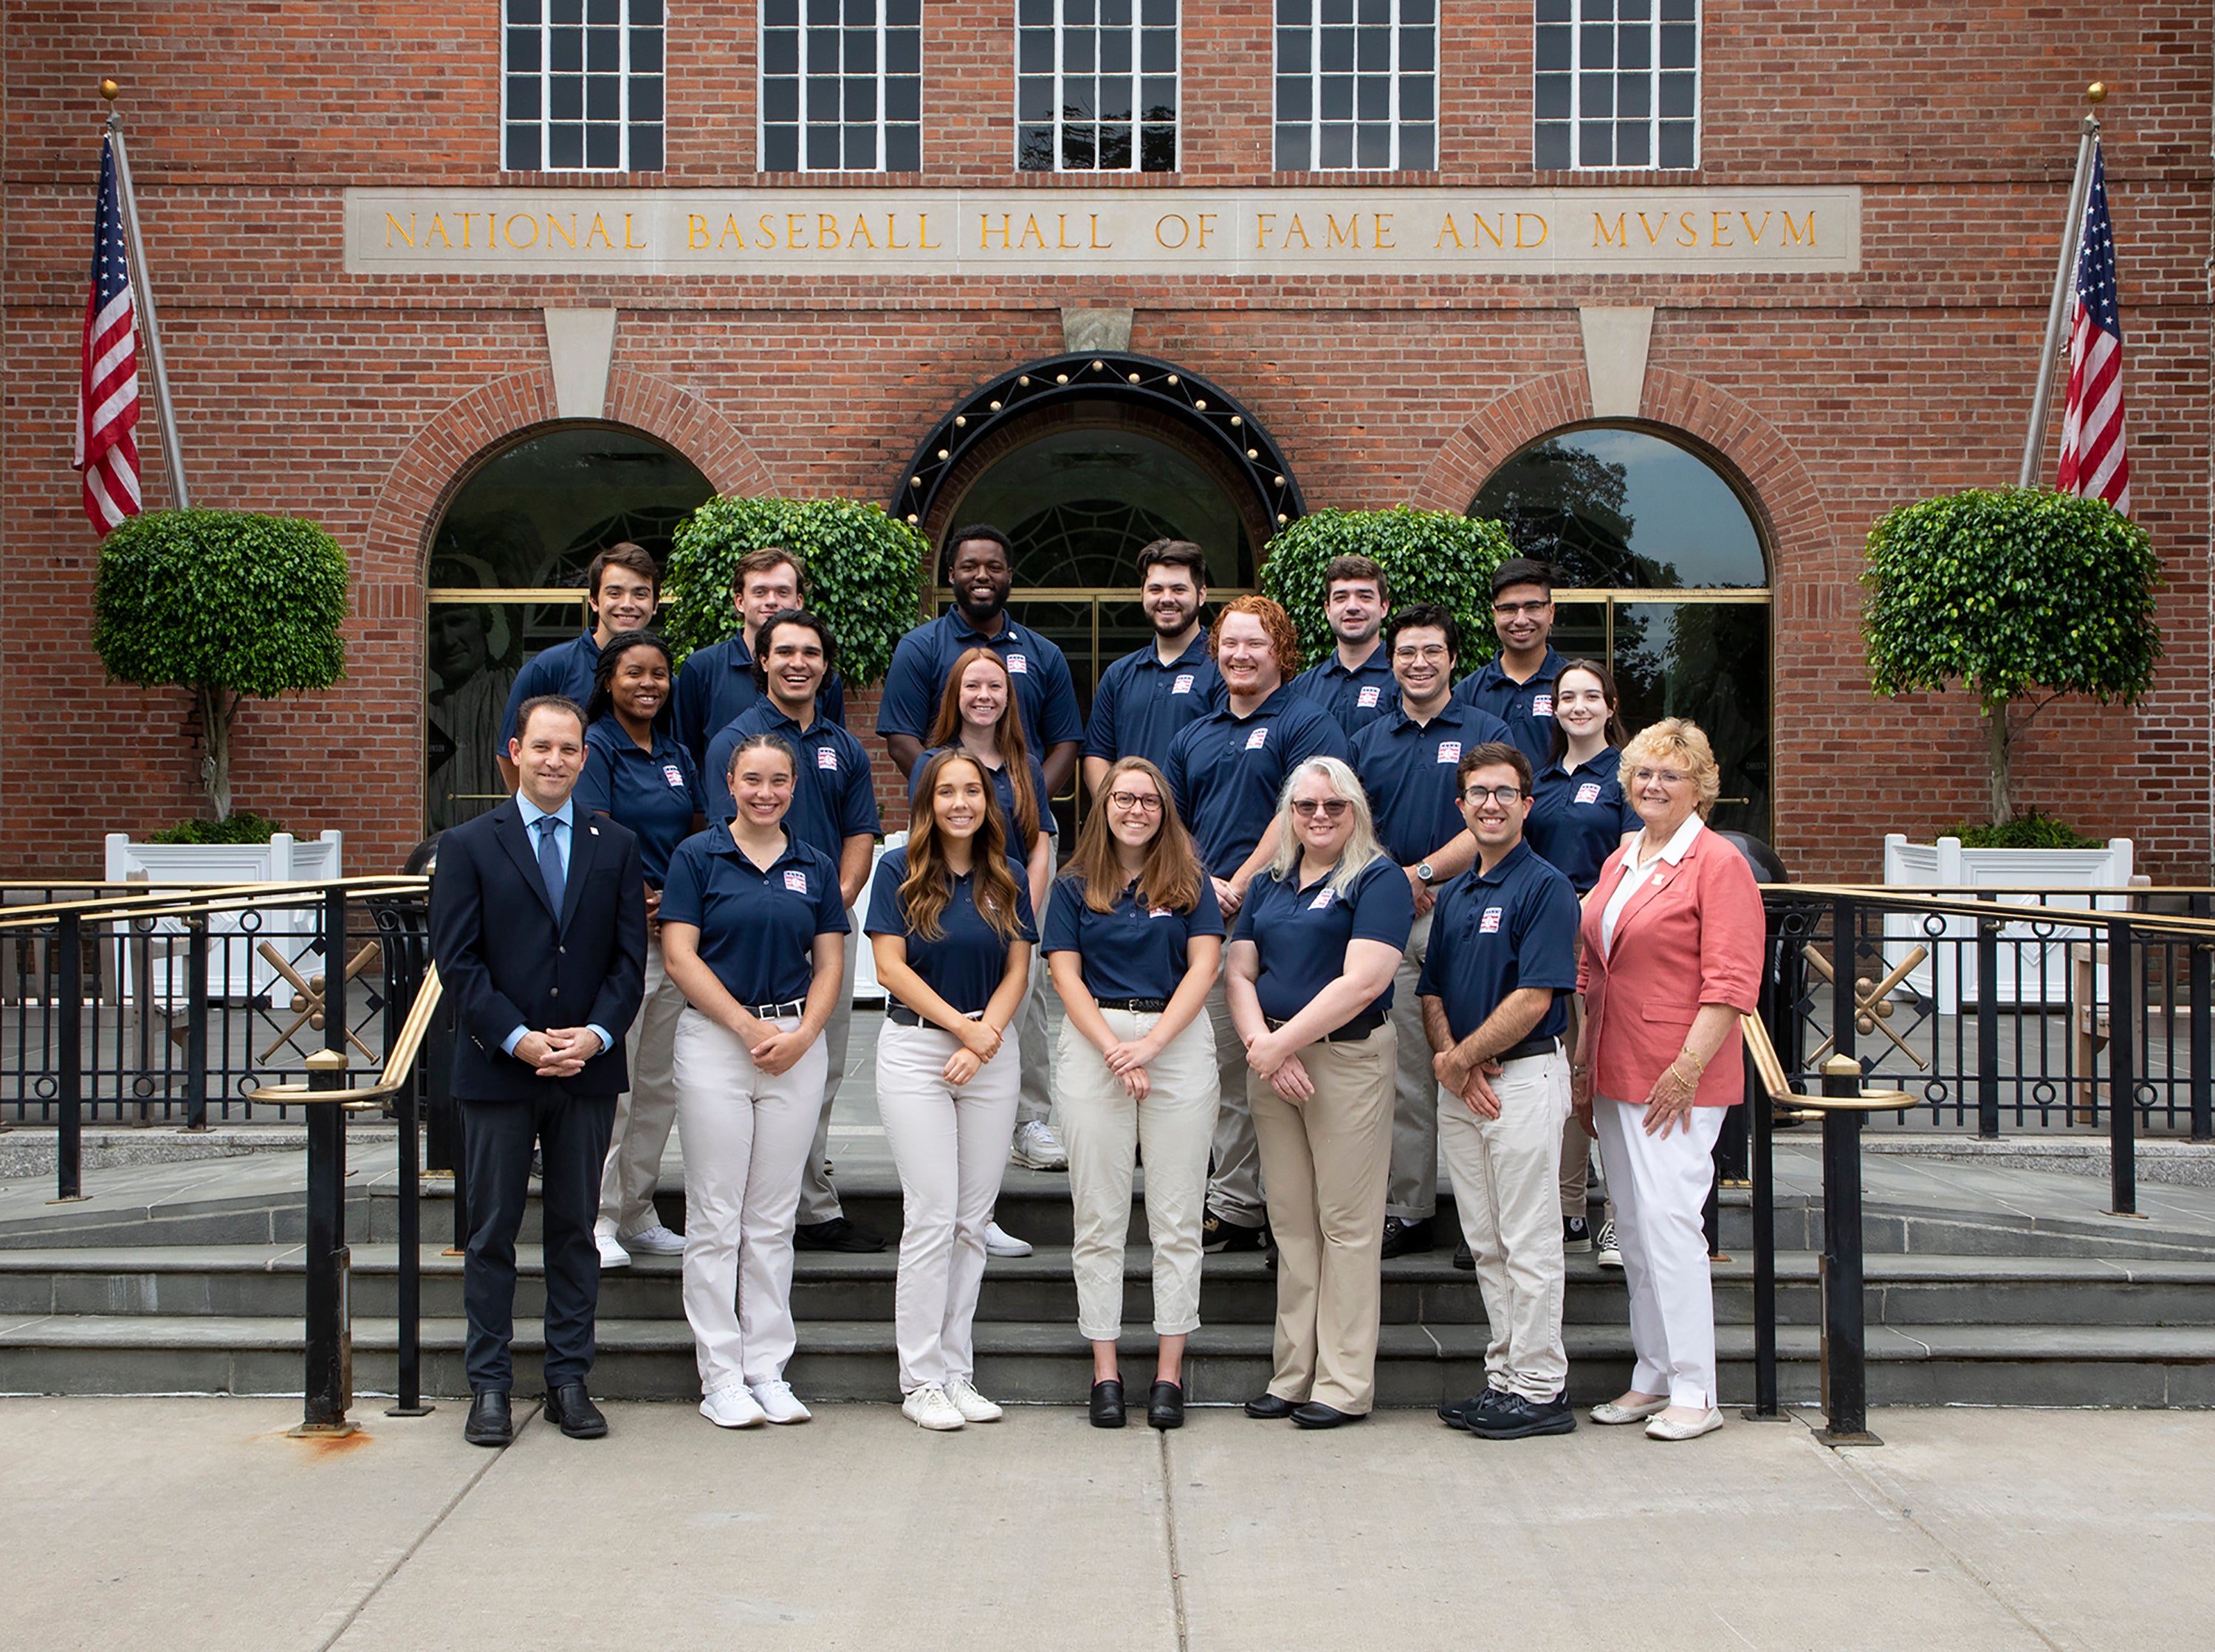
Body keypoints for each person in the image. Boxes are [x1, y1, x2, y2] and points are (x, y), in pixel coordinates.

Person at [430, 695, 647, 1448]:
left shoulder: (615, 844)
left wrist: (594, 1035)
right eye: (542, 747)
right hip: (499, 1070)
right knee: (489, 1232)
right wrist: (518, 1039)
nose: (555, 760)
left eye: (569, 749)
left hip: (584, 1071)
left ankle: (567, 1379)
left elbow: (628, 961)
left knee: (572, 1231)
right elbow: (457, 962)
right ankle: (489, 1385)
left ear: (585, 758)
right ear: (513, 753)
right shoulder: (466, 845)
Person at [1574, 718, 1764, 1442]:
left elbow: (1732, 981)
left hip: (1677, 1075)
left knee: (1674, 1227)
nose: (1653, 786)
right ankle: (1653, 1375)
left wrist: (1686, 1070)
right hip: (1617, 1069)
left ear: (1701, 788)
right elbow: (1594, 967)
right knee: (1638, 1231)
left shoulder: (1718, 863)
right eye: (1643, 774)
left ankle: (1696, 1387)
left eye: (1670, 775)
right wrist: (1587, 1064)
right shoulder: (1625, 857)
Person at [657, 731, 851, 1428]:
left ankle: (766, 1366)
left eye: (779, 782)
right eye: (752, 781)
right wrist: (747, 1028)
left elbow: (829, 963)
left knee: (771, 1219)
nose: (765, 793)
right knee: (716, 1215)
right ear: (730, 784)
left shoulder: (815, 864)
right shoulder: (697, 856)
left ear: (794, 789)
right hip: (717, 1044)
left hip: (795, 1044)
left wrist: (802, 1035)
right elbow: (680, 956)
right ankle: (721, 1375)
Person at [1162, 596, 1350, 1253]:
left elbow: (1303, 812)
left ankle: (1293, 1208)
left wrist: (1239, 883)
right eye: (1230, 644)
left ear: (1281, 651)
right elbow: (1171, 820)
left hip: (1293, 913)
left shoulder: (1308, 721)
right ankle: (1238, 1203)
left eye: (1256, 644)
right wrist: (1201, 884)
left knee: (1297, 1059)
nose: (1241, 655)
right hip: (1213, 920)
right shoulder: (1194, 731)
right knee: (1231, 1062)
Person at [1229, 756, 1412, 1428]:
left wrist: (1281, 1044)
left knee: (1347, 1225)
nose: (1320, 817)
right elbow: (1239, 973)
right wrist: (1263, 1048)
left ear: (1355, 811)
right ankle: (1292, 1373)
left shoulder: (1377, 878)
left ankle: (1341, 1383)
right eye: (1306, 806)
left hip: (1345, 1061)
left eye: (1334, 806)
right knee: (1293, 1225)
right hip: (1273, 1063)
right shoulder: (1270, 882)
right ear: (1289, 814)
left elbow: (1364, 980)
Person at [1043, 757, 1222, 1431]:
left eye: (1149, 800)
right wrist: (1118, 1051)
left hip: (1175, 1042)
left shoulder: (1190, 882)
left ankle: (1170, 1371)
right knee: (1099, 1217)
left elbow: (1204, 967)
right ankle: (1107, 1370)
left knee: (1178, 1217)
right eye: (1124, 798)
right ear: (1105, 805)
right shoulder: (1073, 885)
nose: (1136, 809)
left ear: (1164, 810)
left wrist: (1149, 1047)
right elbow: (1065, 976)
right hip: (1096, 1043)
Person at [867, 749, 1038, 1432]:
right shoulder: (897, 870)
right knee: (933, 1215)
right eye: (947, 792)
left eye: (973, 790)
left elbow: (1018, 969)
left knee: (972, 1222)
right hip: (918, 1051)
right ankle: (919, 1378)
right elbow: (888, 967)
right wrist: (960, 1032)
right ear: (927, 802)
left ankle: (956, 1369)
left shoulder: (1010, 875)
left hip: (989, 1054)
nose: (961, 802)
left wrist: (986, 1035)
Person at [1421, 743, 1584, 1440]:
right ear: (1461, 807)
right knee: (1486, 1242)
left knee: (1529, 1239)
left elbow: (1535, 996)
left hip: (1522, 1079)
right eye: (1478, 793)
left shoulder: (1545, 887)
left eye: (1504, 793)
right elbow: (1430, 992)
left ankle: (1543, 1389)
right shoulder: (1456, 893)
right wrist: (1453, 1063)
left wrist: (1462, 1059)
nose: (1491, 803)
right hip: (1466, 1087)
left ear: (1527, 803)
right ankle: (1505, 1379)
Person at [710, 610, 885, 1256]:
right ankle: (756, 1204)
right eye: (784, 651)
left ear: (824, 664)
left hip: (827, 925)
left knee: (822, 1067)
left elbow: (860, 834)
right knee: (744, 1070)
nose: (797, 663)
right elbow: (715, 834)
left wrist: (829, 909)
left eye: (811, 652)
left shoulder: (844, 746)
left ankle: (809, 1204)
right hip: (751, 927)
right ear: (762, 660)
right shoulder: (737, 739)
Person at [1348, 603, 1510, 1260]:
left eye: (1432, 652)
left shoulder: (1484, 729)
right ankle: (1410, 1209)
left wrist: (1419, 872)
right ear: (1393, 662)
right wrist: (1395, 881)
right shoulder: (1366, 738)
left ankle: (1488, 1221)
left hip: (1466, 912)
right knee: (1408, 1070)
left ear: (1452, 659)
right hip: (1385, 919)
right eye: (1407, 653)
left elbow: (1492, 820)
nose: (1419, 664)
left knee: (1480, 1059)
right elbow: (1350, 824)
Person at [907, 647, 1066, 1202]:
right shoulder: (934, 764)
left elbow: (1041, 845)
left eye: (995, 687)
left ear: (1008, 697)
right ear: (955, 694)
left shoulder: (1024, 764)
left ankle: (1027, 1124)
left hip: (1014, 914)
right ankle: (967, 1176)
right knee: (969, 1027)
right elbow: (925, 840)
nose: (984, 696)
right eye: (972, 685)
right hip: (955, 918)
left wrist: (1019, 918)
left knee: (1024, 1019)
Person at [572, 630, 705, 1270]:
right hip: (624, 939)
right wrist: (640, 897)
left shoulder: (676, 753)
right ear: (608, 682)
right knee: (615, 1087)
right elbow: (597, 831)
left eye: (658, 674)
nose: (648, 684)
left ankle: (638, 1209)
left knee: (658, 1085)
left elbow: (700, 831)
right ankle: (596, 1217)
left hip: (674, 937)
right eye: (634, 674)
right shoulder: (596, 748)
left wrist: (679, 896)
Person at [1525, 658, 1638, 1264]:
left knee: (1606, 1071)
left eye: (1591, 696)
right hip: (1548, 940)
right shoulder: (1538, 781)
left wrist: (1582, 911)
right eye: (1567, 697)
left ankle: (1618, 1217)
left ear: (1611, 706)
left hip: (1604, 936)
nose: (1578, 707)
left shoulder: (1626, 779)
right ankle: (1569, 1208)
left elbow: (1626, 863)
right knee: (1564, 1073)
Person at [876, 523, 1082, 803]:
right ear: (951, 574)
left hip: (1027, 821)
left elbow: (1066, 745)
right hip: (945, 817)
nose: (982, 576)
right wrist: (954, 799)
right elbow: (901, 743)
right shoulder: (919, 647)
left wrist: (1027, 806)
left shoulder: (1044, 654)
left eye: (994, 567)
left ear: (1009, 575)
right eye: (970, 566)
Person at [497, 543, 661, 789]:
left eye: (640, 594)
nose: (627, 604)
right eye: (614, 593)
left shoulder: (659, 683)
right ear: (594, 600)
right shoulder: (549, 668)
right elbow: (509, 755)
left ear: (655, 604)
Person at [671, 546, 848, 767]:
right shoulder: (702, 668)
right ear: (740, 601)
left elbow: (831, 753)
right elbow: (685, 756)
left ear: (799, 601)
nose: (772, 601)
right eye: (760, 592)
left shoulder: (820, 676)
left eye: (783, 592)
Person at [1080, 538, 1221, 796]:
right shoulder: (1119, 674)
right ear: (1142, 594)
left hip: (1195, 831)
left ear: (1201, 595)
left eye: (1179, 589)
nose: (1166, 599)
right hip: (1131, 827)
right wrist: (1117, 810)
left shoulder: (1222, 669)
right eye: (1156, 589)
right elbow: (1097, 755)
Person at [1453, 557, 1568, 771]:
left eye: (1533, 607)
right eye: (1509, 609)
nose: (1521, 620)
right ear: (1494, 614)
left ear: (1551, 612)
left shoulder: (1575, 686)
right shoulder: (1466, 694)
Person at [1288, 554, 1398, 738]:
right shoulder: (1301, 688)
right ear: (1328, 609)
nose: (1352, 607)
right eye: (1341, 598)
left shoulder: (1404, 680)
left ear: (1384, 607)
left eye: (1364, 597)